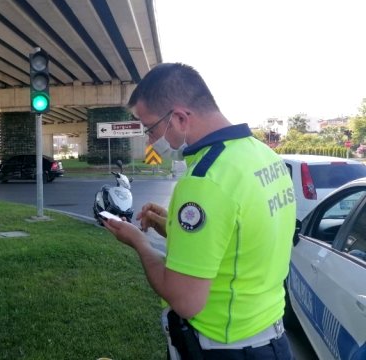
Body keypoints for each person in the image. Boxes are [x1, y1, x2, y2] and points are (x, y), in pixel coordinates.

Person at [103, 63, 295, 359]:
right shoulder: (263, 156)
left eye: (150, 128)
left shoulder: (205, 180)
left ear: (179, 118)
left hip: (225, 349)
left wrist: (138, 242)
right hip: (271, 339)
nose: (149, 139)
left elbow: (185, 300)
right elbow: (242, 240)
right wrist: (173, 228)